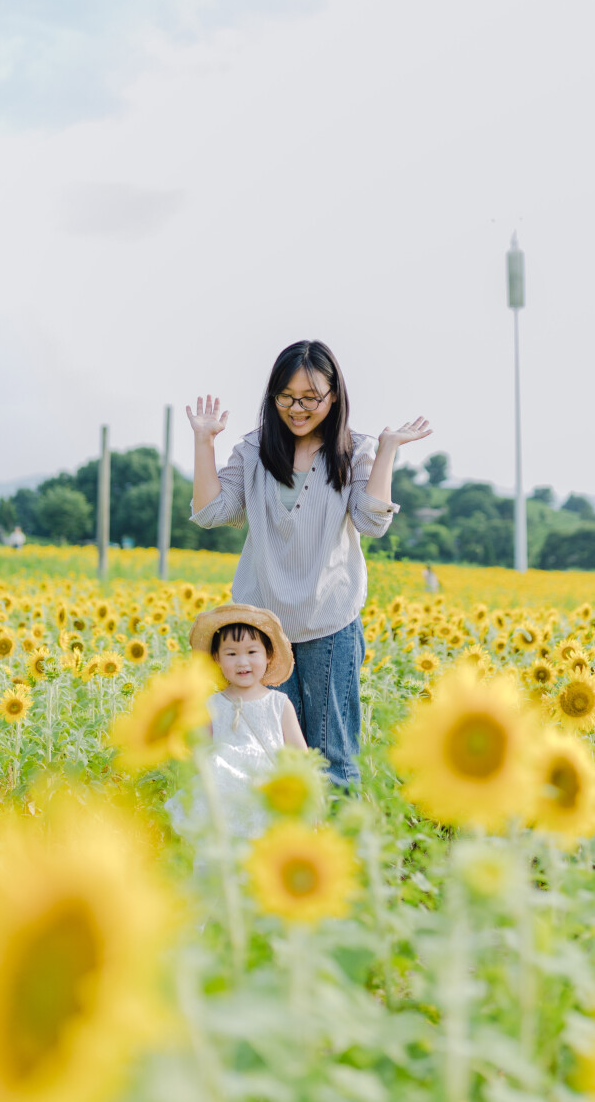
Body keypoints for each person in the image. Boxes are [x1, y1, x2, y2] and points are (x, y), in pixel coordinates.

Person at [186, 338, 431, 787]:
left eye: (310, 398)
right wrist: (204, 442)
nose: (297, 409)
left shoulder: (354, 451)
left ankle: (340, 854)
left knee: (332, 759)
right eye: (286, 397)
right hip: (262, 630)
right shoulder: (254, 450)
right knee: (270, 760)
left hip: (329, 624)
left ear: (333, 395)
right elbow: (210, 512)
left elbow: (371, 522)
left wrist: (388, 449)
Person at [183, 602, 306, 839]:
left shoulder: (278, 703)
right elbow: (199, 754)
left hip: (269, 793)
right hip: (224, 799)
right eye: (231, 654)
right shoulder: (211, 705)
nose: (242, 662)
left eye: (252, 652)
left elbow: (300, 755)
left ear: (268, 655)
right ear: (217, 658)